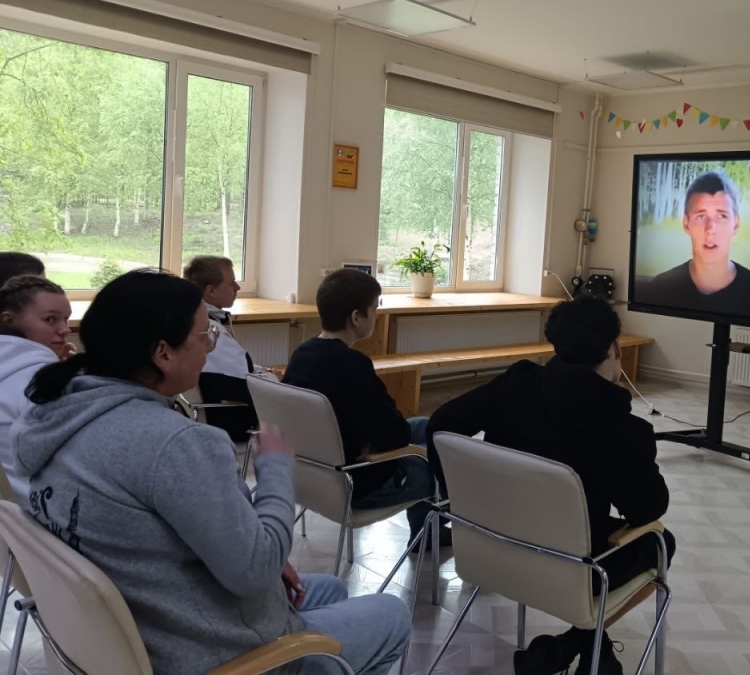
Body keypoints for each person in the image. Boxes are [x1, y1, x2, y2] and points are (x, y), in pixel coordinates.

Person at [11, 269, 410, 675]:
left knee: (331, 588)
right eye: (205, 335)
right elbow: (255, 572)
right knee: (392, 613)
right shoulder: (174, 444)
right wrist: (274, 468)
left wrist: (259, 553)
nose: (210, 346)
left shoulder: (53, 416)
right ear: (163, 353)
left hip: (145, 621)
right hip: (206, 651)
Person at [426, 295, 675, 675]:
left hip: (488, 548)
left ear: (556, 344)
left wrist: (460, 500)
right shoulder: (625, 430)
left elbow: (439, 425)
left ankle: (573, 648)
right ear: (615, 348)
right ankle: (575, 645)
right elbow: (648, 510)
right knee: (660, 541)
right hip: (569, 570)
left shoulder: (515, 384)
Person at [283, 269, 441, 550]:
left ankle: (427, 531)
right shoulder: (353, 365)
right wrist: (375, 437)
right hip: (358, 484)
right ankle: (430, 533)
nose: (377, 316)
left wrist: (371, 436)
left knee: (426, 425)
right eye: (375, 309)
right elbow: (396, 434)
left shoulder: (302, 354)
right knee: (443, 461)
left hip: (309, 475)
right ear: (356, 317)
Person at [639, 171, 750, 309]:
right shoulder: (660, 290)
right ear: (686, 224)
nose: (710, 229)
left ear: (736, 225)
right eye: (701, 216)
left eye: (721, 216)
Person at [182, 256, 278, 442]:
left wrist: (261, 371)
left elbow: (228, 370)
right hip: (232, 421)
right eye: (232, 283)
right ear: (211, 290)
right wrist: (273, 378)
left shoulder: (195, 323)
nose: (238, 288)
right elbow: (244, 385)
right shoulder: (210, 332)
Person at [0, 275, 71, 503]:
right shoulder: (42, 383)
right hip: (37, 510)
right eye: (50, 320)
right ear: (8, 320)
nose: (65, 330)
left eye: (66, 319)